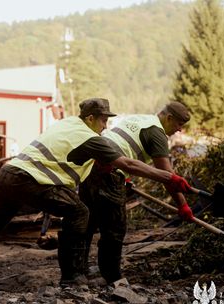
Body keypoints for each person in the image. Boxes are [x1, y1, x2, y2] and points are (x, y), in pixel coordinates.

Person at [0, 98, 193, 293]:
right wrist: (171, 178)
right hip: (31, 181)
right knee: (79, 212)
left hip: (8, 176)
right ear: (92, 118)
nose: (106, 126)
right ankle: (72, 279)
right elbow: (129, 164)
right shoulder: (91, 137)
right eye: (104, 121)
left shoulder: (66, 123)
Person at [79, 101, 193, 285]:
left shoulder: (141, 119)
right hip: (110, 171)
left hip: (91, 165)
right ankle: (112, 277)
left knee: (88, 221)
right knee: (115, 228)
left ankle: (78, 271)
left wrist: (126, 179)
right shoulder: (157, 133)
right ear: (169, 118)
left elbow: (122, 145)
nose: (179, 130)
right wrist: (183, 205)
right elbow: (167, 176)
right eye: (179, 124)